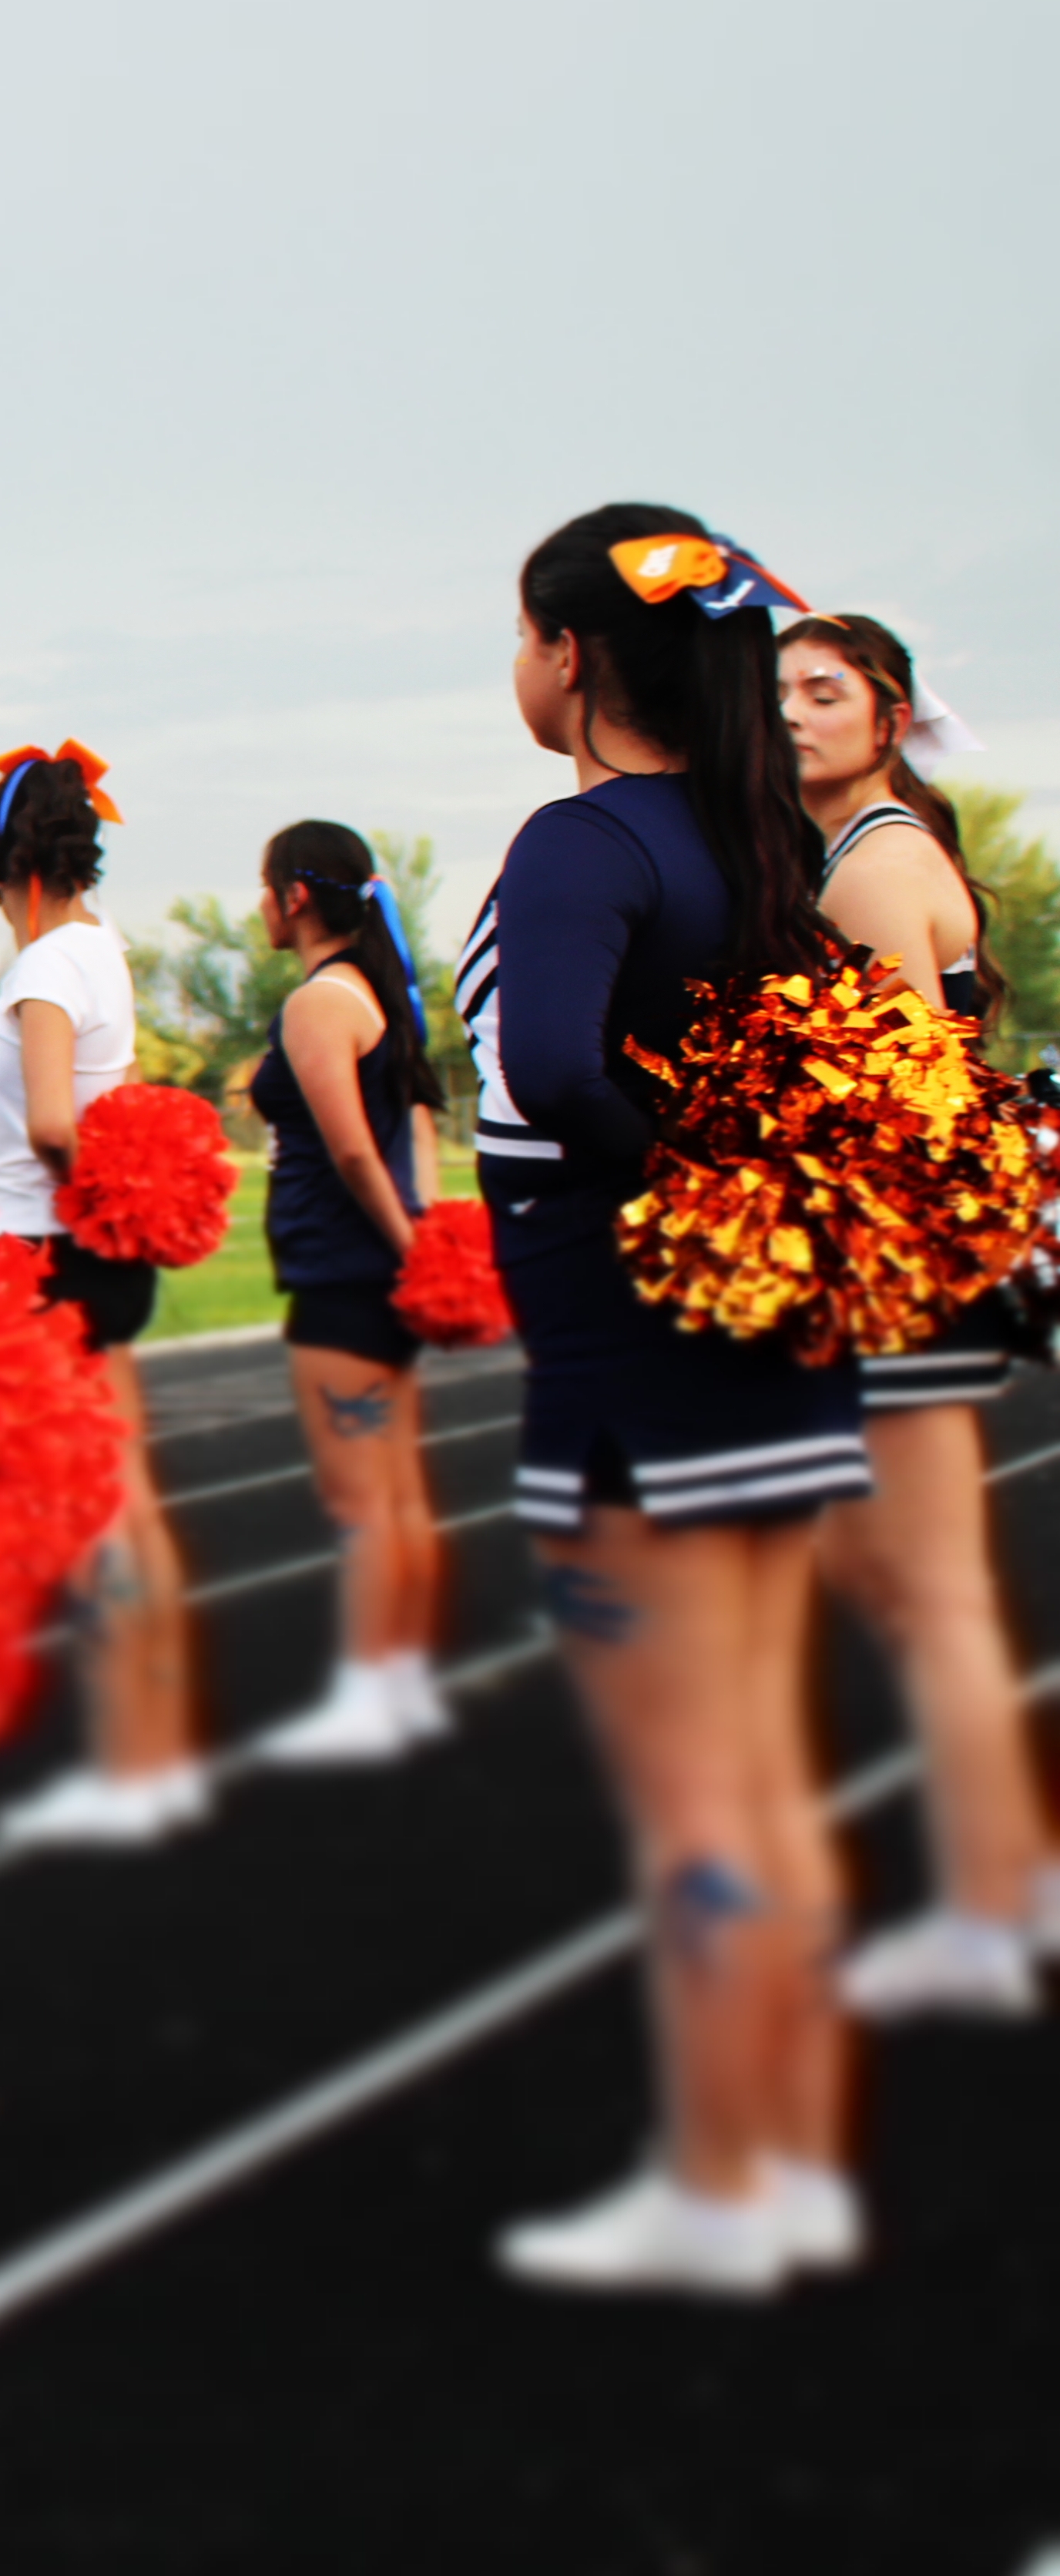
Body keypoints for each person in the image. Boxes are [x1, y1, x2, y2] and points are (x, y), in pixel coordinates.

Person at [470, 509, 860, 2298]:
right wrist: (758, 1204)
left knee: (696, 1800)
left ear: (570, 654)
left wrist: (679, 1184)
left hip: (638, 1360)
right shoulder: (759, 832)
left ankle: (720, 2183)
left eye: (521, 636)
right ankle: (792, 2159)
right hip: (773, 1354)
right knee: (771, 1779)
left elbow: (552, 1065)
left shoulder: (583, 837)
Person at [782, 610, 1044, 2018]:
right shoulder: (852, 855)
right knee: (887, 1578)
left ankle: (990, 1910)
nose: (794, 714)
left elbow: (892, 1106)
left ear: (890, 717)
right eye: (776, 695)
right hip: (889, 1265)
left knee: (926, 1592)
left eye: (826, 693)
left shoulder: (878, 868)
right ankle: (1015, 1867)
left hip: (898, 1264)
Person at [0, 750, 205, 1847]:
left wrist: (91, 1208)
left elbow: (55, 1123)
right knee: (124, 1498)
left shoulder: (48, 966)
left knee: (89, 1506)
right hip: (83, 1254)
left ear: (11, 860)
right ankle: (153, 1751)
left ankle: (132, 1762)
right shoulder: (101, 949)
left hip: (43, 1255)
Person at [244, 824, 455, 1765]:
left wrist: (415, 1250)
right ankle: (404, 1687)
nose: (259, 907)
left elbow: (354, 1150)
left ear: (295, 896)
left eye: (262, 888)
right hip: (379, 1268)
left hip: (345, 1271)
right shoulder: (378, 994)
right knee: (400, 1493)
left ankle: (372, 1696)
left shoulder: (320, 1004)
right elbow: (413, 1139)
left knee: (361, 1500)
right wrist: (428, 1243)